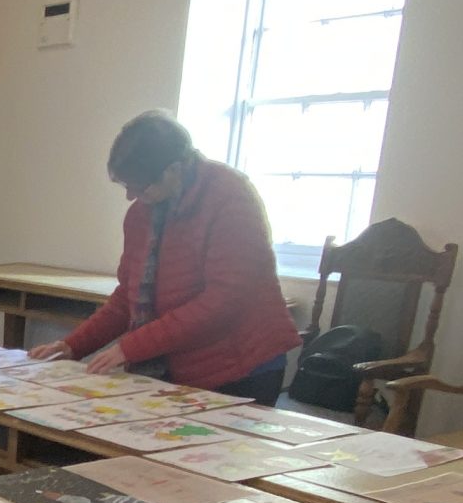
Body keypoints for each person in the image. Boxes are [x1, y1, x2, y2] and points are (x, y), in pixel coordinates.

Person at [30, 110, 298, 403]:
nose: (130, 196)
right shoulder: (143, 213)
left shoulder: (231, 197)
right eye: (124, 185)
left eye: (139, 185)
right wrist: (71, 346)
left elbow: (223, 301)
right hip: (181, 365)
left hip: (242, 366)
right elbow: (127, 298)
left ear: (174, 170)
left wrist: (130, 347)